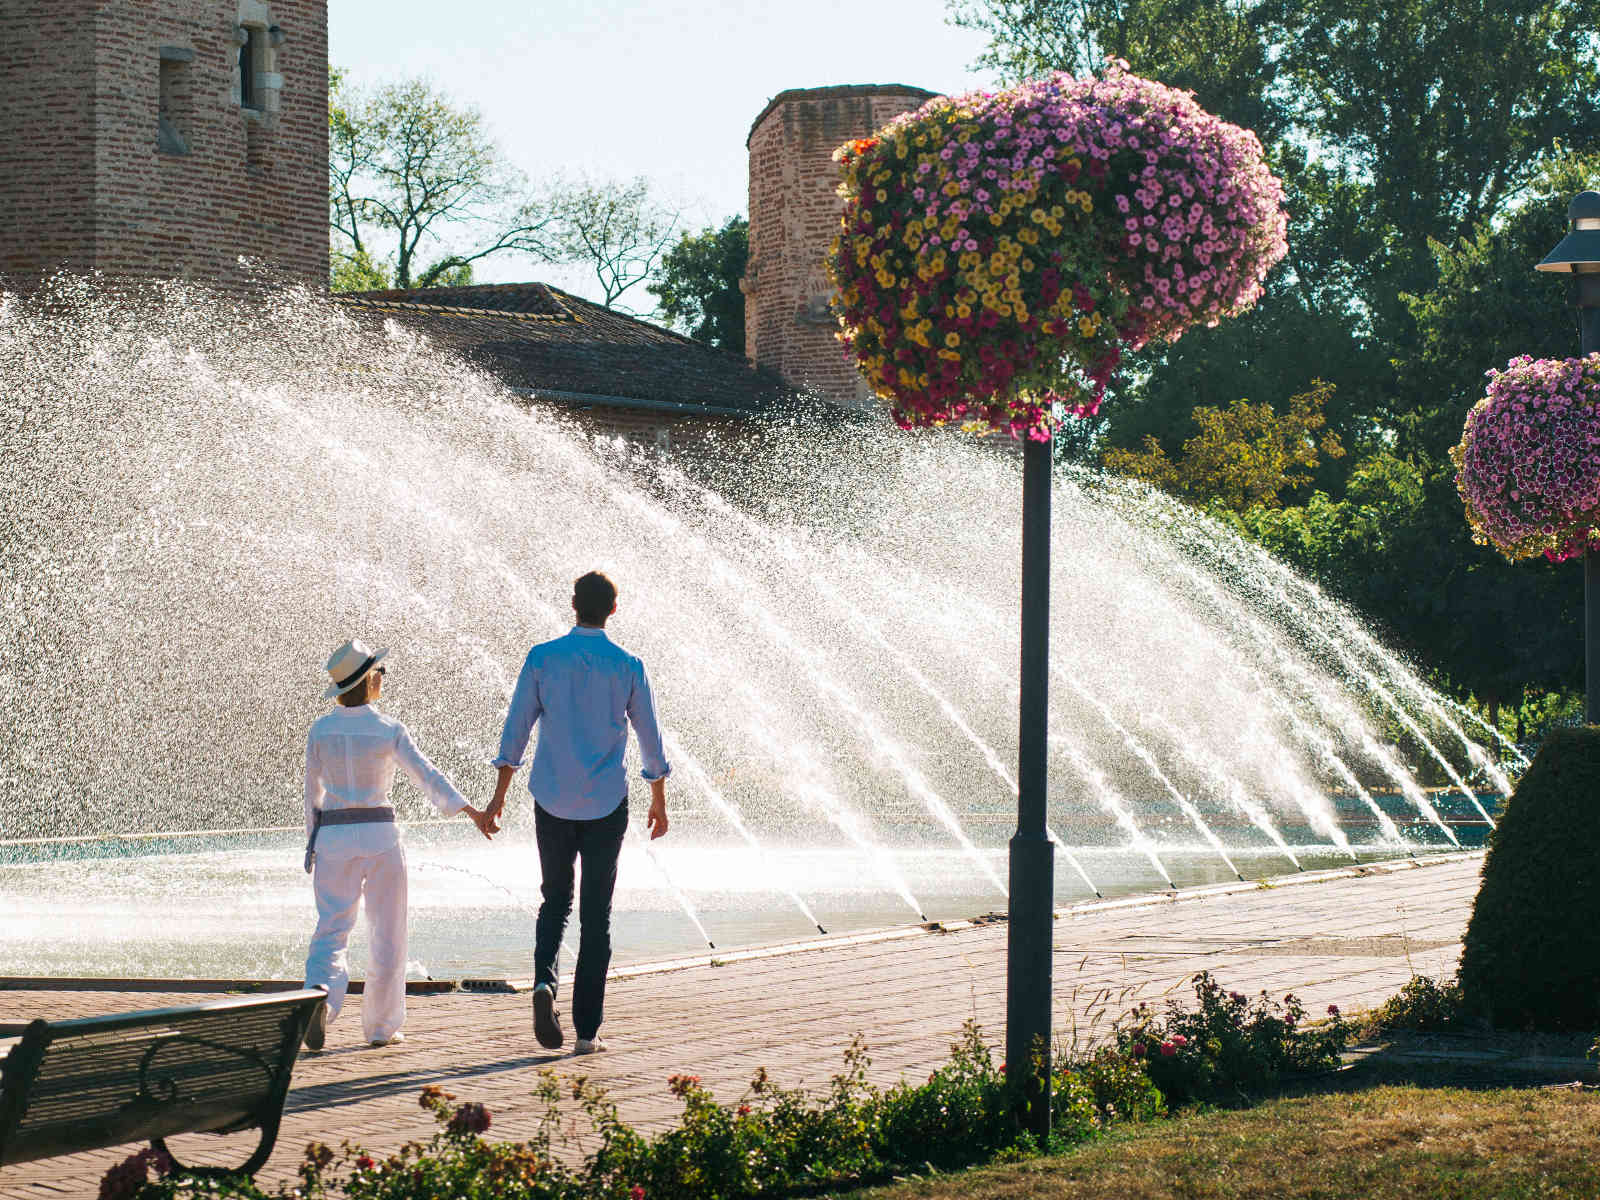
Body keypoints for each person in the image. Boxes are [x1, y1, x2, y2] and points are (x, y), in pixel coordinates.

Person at [488, 570, 670, 1055]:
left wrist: (498, 796)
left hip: (551, 797)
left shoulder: (542, 658)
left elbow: (516, 731)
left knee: (554, 900)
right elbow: (650, 738)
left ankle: (544, 980)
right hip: (607, 802)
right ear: (613, 609)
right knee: (596, 914)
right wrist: (659, 798)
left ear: (573, 604)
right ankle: (587, 1033)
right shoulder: (627, 664)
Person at [302, 638, 496, 1050]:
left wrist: (312, 845)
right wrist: (470, 810)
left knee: (331, 929)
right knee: (388, 933)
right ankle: (380, 1028)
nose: (382, 678)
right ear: (369, 680)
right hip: (380, 836)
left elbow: (311, 797)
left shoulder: (320, 730)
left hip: (333, 837)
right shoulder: (388, 729)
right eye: (379, 672)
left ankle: (319, 997)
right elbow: (427, 775)